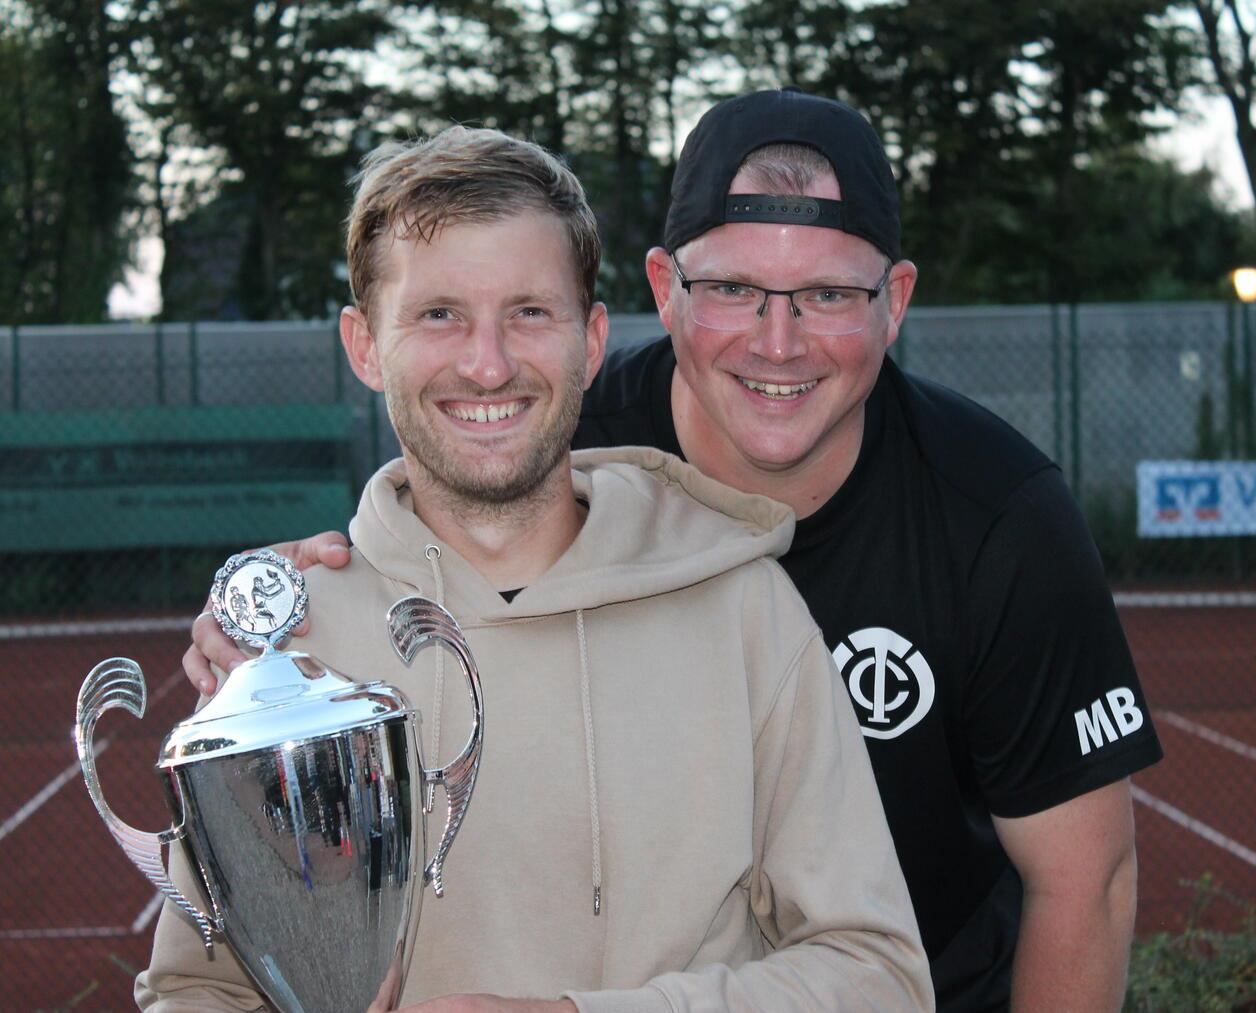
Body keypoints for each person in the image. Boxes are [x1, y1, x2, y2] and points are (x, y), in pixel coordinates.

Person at [187, 90, 1164, 1010]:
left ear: (894, 300)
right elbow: (437, 498)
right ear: (665, 287)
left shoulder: (998, 515)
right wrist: (276, 619)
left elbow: (1089, 882)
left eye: (826, 293)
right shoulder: (556, 432)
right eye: (734, 287)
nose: (778, 342)